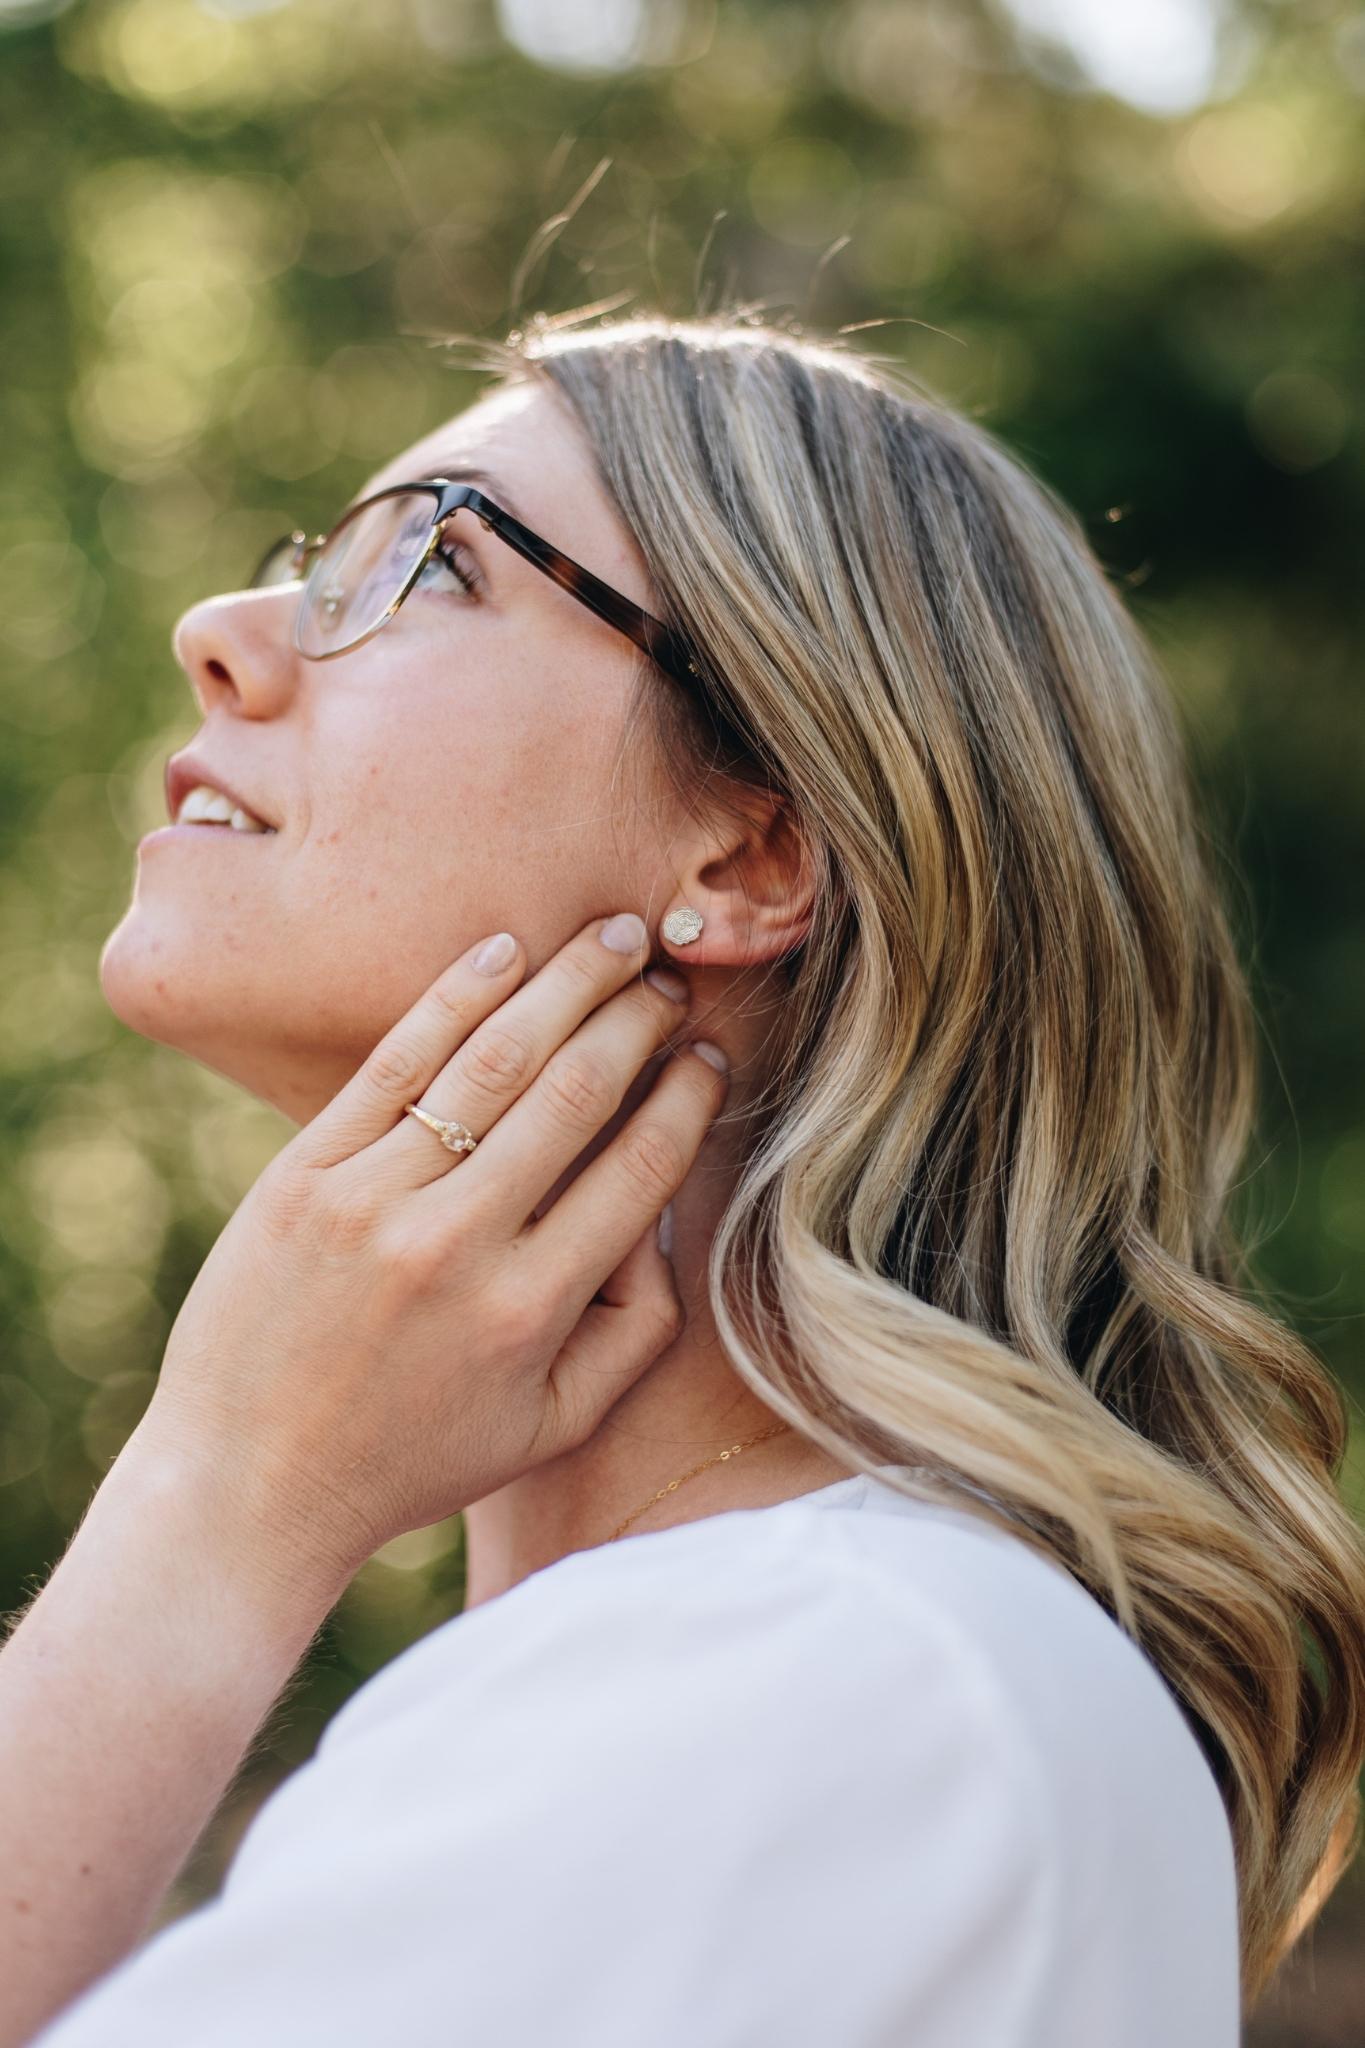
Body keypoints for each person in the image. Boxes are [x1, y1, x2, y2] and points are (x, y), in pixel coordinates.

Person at [3, 308, 1362, 2047]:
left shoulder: (825, 1687)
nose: (220, 630)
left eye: (420, 563)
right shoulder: (769, 1672)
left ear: (752, 845)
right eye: (304, 561)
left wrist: (217, 1509)